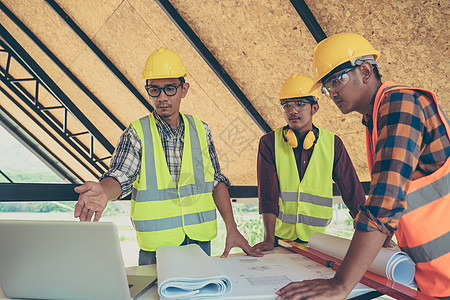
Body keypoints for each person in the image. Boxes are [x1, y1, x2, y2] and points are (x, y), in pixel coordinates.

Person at [276, 33, 450, 300]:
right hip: (435, 277)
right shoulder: (376, 119)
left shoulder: (400, 105)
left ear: (366, 70)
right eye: (326, 87)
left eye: (336, 80)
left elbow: (384, 202)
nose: (332, 92)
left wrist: (341, 283)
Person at [74, 47, 261, 265]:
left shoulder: (202, 130)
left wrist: (232, 228)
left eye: (170, 89)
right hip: (156, 249)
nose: (162, 97)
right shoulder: (137, 133)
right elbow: (120, 176)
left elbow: (216, 181)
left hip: (199, 243)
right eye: (155, 90)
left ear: (184, 89)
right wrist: (104, 191)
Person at [252, 74, 366, 252]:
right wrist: (269, 239)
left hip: (318, 241)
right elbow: (268, 194)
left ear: (315, 108)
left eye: (300, 104)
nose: (292, 111)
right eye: (287, 105)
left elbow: (353, 192)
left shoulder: (333, 144)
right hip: (281, 241)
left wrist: (369, 234)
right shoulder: (269, 142)